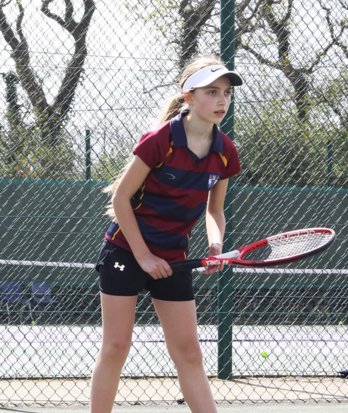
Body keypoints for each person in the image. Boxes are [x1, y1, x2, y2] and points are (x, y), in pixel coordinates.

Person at [90, 55, 243, 413]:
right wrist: (144, 256)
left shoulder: (225, 154)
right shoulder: (160, 139)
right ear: (189, 97)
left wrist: (216, 243)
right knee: (116, 346)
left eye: (226, 93)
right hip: (125, 251)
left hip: (175, 258)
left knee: (189, 351)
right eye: (211, 92)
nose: (222, 100)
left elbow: (214, 210)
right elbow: (121, 198)